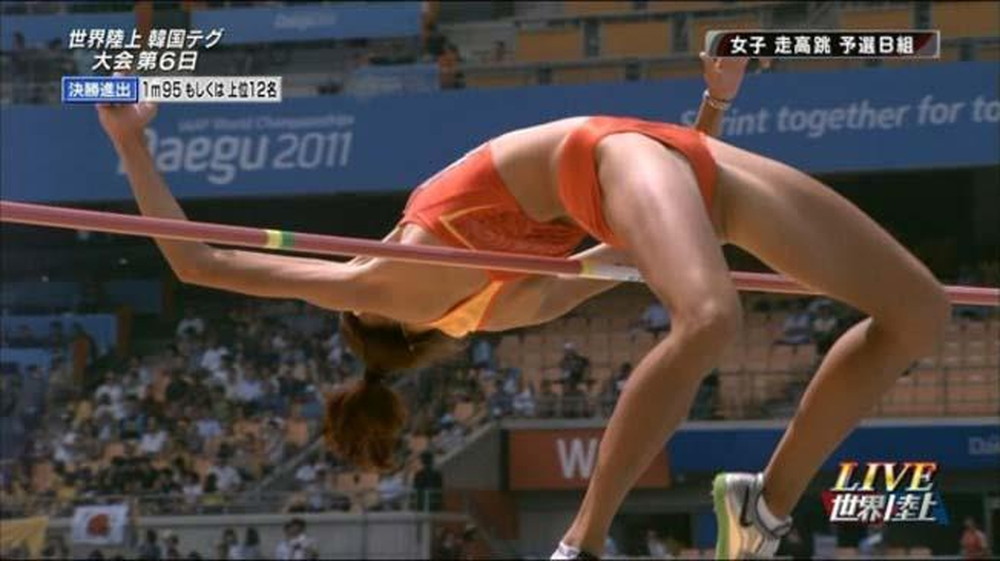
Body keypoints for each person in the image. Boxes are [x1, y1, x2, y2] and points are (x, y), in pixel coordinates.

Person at [98, 50, 950, 560]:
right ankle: (581, 541)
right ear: (395, 328)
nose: (380, 237)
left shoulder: (477, 302)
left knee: (920, 312)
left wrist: (717, 102)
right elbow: (199, 261)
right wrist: (131, 143)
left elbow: (665, 225)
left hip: (680, 156)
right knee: (711, 317)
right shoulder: (408, 288)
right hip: (620, 154)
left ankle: (762, 506)